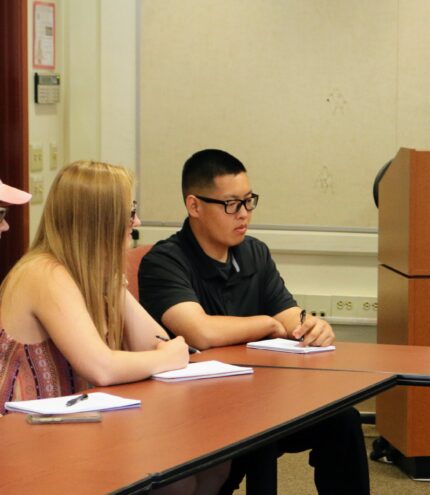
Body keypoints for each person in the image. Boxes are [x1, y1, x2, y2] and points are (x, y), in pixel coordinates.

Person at [138, 149, 369, 495]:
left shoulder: (254, 252)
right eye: (231, 204)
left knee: (343, 421)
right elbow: (200, 330)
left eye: (249, 201)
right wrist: (266, 323)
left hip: (260, 400)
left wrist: (312, 326)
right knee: (249, 444)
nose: (244, 214)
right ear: (194, 206)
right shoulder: (165, 260)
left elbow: (289, 317)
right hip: (198, 415)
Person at [0, 161, 228, 494]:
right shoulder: (44, 273)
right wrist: (168, 356)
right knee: (175, 485)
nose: (136, 222)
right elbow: (103, 367)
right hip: (27, 437)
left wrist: (113, 285)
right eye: (129, 212)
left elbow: (156, 342)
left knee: (213, 464)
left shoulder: (84, 272)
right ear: (100, 219)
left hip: (73, 425)